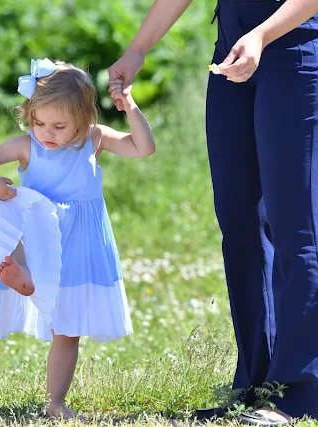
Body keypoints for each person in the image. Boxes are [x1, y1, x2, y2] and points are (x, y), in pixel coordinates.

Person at [107, 0, 318, 424]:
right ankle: (257, 384)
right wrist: (138, 48)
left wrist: (261, 35)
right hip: (231, 57)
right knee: (240, 225)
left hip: (294, 54)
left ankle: (303, 393)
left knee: (297, 228)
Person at [0, 58, 155, 419]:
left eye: (59, 125)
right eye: (38, 123)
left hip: (79, 245)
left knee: (67, 331)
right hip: (38, 235)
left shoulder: (94, 140)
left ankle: (55, 403)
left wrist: (129, 105)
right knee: (14, 211)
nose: (46, 133)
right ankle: (24, 273)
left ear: (84, 120)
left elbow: (142, 147)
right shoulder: (26, 145)